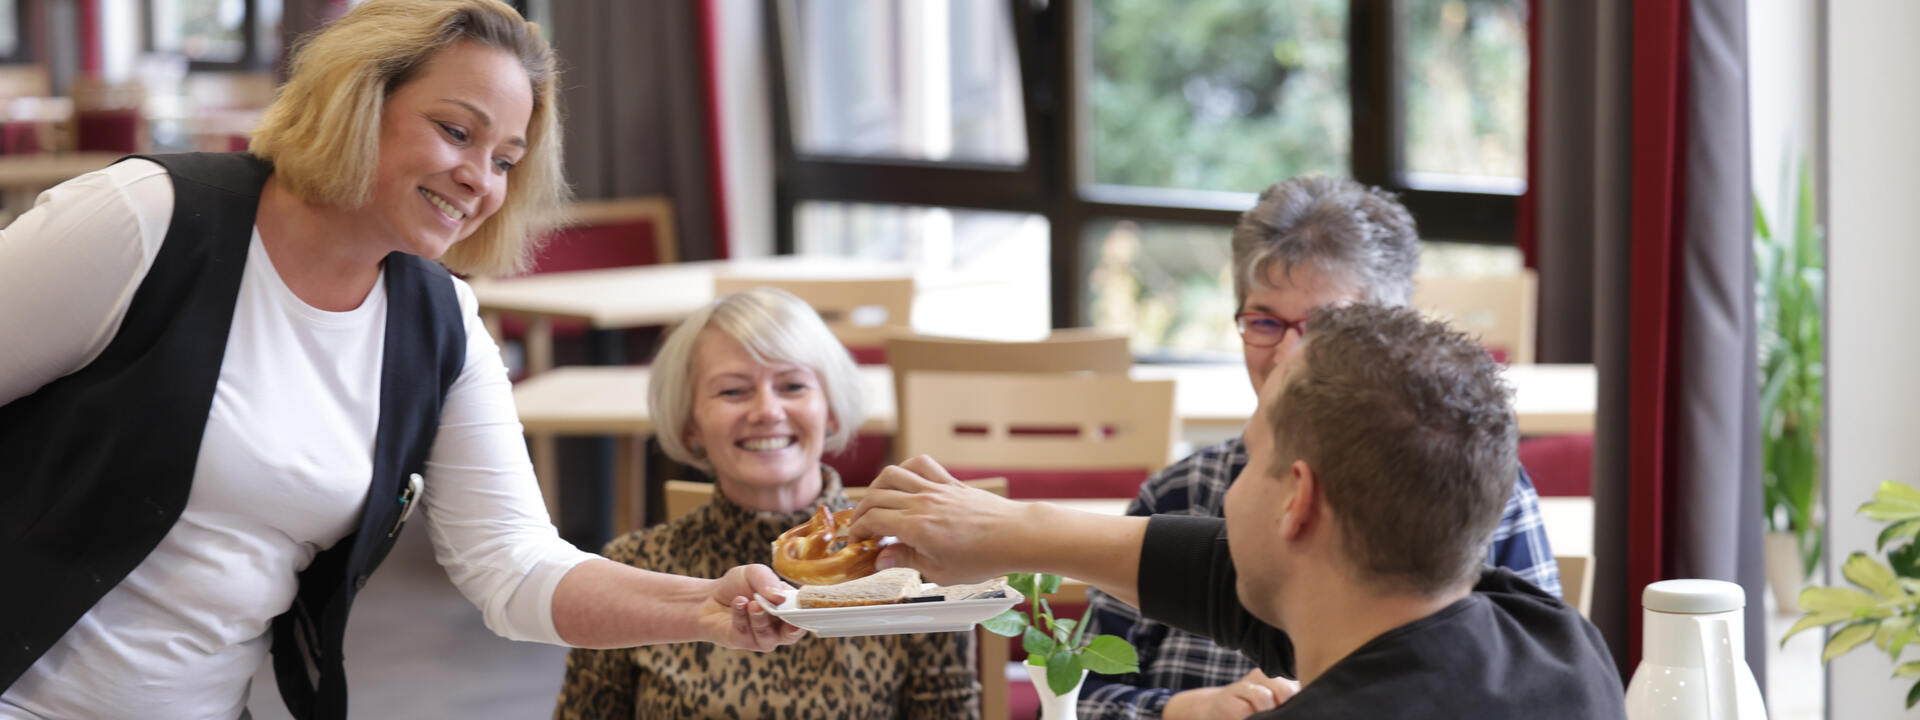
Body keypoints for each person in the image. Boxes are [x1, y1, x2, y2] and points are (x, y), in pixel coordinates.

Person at [0, 2, 798, 718]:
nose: (480, 180)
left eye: (506, 159)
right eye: (457, 131)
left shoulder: (438, 324)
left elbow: (514, 567)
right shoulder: (149, 220)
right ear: (358, 99)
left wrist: (702, 607)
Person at [848, 304, 1625, 719]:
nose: (1228, 489)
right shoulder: (1554, 644)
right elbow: (1238, 577)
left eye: (1250, 461)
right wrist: (1013, 533)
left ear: (1298, 498)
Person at [1078, 176, 1562, 719]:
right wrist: (1187, 711)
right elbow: (1074, 696)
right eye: (1264, 321)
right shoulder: (1179, 493)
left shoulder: (1473, 489)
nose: (1288, 353)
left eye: (1325, 326)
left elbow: (1525, 680)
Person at [553, 287, 979, 719]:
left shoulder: (908, 564)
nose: (767, 411)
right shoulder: (633, 567)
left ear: (830, 409)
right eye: (733, 392)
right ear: (690, 423)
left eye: (792, 386)